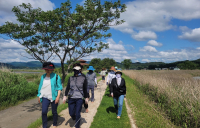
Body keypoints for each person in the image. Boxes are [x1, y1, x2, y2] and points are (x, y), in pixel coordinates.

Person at [37, 62, 63, 128]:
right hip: (45, 96)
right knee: (44, 112)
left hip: (54, 97)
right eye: (46, 69)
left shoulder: (56, 76)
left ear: (52, 69)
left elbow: (59, 87)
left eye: (48, 69)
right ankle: (44, 126)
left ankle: (54, 124)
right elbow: (40, 86)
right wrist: (39, 95)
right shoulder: (43, 76)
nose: (47, 70)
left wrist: (58, 97)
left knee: (54, 112)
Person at [62, 63, 88, 128]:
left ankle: (77, 126)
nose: (76, 71)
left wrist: (86, 98)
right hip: (71, 97)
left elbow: (85, 89)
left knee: (77, 113)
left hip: (79, 98)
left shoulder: (83, 78)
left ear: (80, 70)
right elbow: (67, 88)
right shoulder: (70, 78)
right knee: (71, 113)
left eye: (77, 69)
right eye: (75, 69)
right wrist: (65, 96)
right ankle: (74, 117)